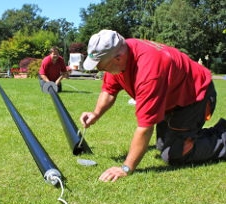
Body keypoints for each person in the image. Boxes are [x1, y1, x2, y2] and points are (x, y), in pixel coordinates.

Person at [80, 29, 226, 182]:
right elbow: (109, 90)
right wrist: (95, 114)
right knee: (163, 146)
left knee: (175, 154)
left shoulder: (148, 72)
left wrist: (126, 168)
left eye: (101, 66)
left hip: (195, 95)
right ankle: (204, 134)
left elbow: (145, 127)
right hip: (172, 98)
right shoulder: (120, 54)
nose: (100, 70)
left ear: (118, 58)